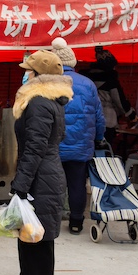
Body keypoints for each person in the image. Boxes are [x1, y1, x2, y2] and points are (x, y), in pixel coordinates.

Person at [7, 50, 72, 275]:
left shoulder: (38, 103)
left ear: (38, 75)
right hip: (43, 172)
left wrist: (21, 184)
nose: (25, 74)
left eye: (28, 70)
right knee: (29, 232)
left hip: (41, 176)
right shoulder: (48, 101)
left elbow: (35, 148)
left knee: (40, 238)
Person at [49, 38, 106, 234]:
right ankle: (76, 222)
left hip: (54, 145)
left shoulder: (48, 83)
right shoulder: (88, 84)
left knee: (52, 184)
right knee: (77, 184)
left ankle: (52, 221)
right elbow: (98, 116)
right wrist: (99, 137)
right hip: (81, 145)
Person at [82, 47, 137, 146]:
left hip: (89, 118)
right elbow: (119, 101)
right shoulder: (111, 80)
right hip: (107, 120)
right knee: (106, 147)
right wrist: (131, 115)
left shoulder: (86, 79)